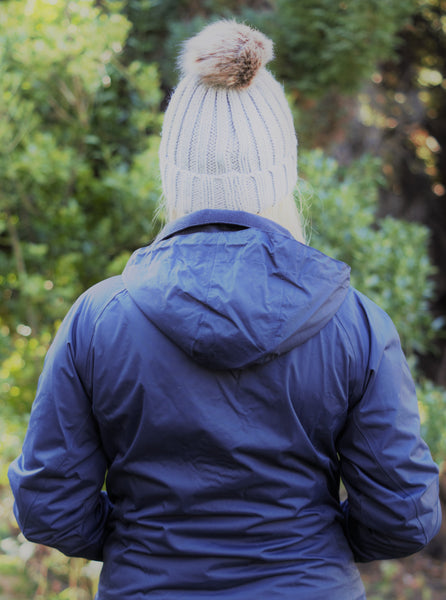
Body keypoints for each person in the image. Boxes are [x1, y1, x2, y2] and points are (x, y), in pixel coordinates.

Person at [9, 20, 441, 600]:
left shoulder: (99, 317)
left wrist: (146, 546)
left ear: (172, 177)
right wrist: (307, 546)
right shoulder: (354, 322)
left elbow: (49, 508)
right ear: (283, 175)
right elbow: (403, 516)